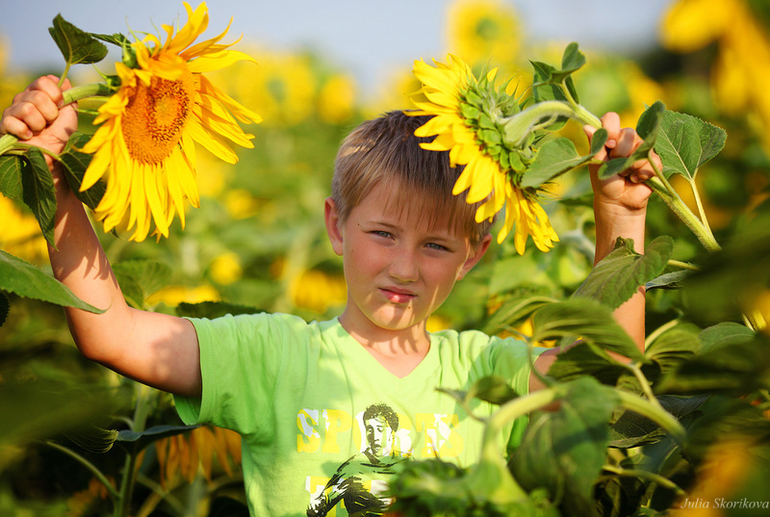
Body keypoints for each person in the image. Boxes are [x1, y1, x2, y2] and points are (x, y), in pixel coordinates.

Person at [1, 75, 657, 517]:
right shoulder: (275, 356)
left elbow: (602, 370)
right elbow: (111, 330)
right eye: (383, 233)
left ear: (474, 252)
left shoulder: (483, 370)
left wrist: (621, 222)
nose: (403, 265)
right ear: (337, 226)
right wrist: (51, 178)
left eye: (435, 245)